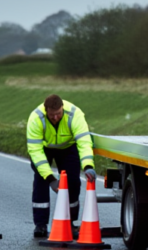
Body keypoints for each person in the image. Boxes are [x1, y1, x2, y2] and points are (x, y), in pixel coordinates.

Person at [26, 94, 96, 237]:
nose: (55, 117)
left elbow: (84, 142)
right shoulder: (36, 118)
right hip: (45, 148)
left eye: (58, 114)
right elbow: (36, 152)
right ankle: (40, 225)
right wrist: (51, 179)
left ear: (62, 108)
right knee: (41, 180)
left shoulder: (74, 114)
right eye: (52, 115)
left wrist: (88, 166)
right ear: (46, 111)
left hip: (68, 148)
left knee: (73, 182)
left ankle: (69, 222)